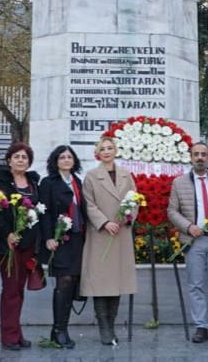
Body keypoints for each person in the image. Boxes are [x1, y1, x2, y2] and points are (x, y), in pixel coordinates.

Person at [167, 141, 208, 344]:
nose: (200, 158)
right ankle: (201, 326)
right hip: (193, 241)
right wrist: (187, 226)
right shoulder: (179, 183)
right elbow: (172, 211)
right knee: (195, 285)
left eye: (204, 154)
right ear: (191, 157)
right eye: (196, 154)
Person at [81, 136, 138, 345]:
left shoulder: (126, 175)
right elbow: (88, 204)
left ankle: (111, 325)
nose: (106, 151)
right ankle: (104, 327)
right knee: (101, 283)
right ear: (98, 153)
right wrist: (104, 223)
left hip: (121, 234)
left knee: (117, 282)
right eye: (102, 148)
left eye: (110, 148)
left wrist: (128, 216)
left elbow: (134, 200)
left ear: (115, 151)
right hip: (100, 235)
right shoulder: (91, 176)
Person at [0, 142, 41, 350]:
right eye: (17, 156)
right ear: (9, 159)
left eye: (25, 157)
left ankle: (17, 333)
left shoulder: (33, 183)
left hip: (27, 244)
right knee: (10, 289)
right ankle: (8, 337)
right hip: (8, 244)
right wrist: (7, 234)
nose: (21, 160)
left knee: (20, 290)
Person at [39, 145, 87, 349]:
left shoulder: (77, 181)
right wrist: (49, 237)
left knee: (72, 282)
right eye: (62, 157)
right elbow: (45, 212)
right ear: (55, 161)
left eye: (70, 157)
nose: (66, 160)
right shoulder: (49, 182)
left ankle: (61, 328)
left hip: (77, 239)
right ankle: (59, 330)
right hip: (59, 240)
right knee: (63, 283)